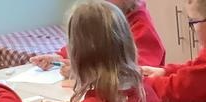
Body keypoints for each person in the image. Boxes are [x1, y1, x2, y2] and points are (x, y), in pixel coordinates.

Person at [32, 0, 166, 76]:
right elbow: (84, 42)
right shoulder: (102, 16)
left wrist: (83, 72)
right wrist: (58, 57)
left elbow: (134, 73)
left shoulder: (142, 27)